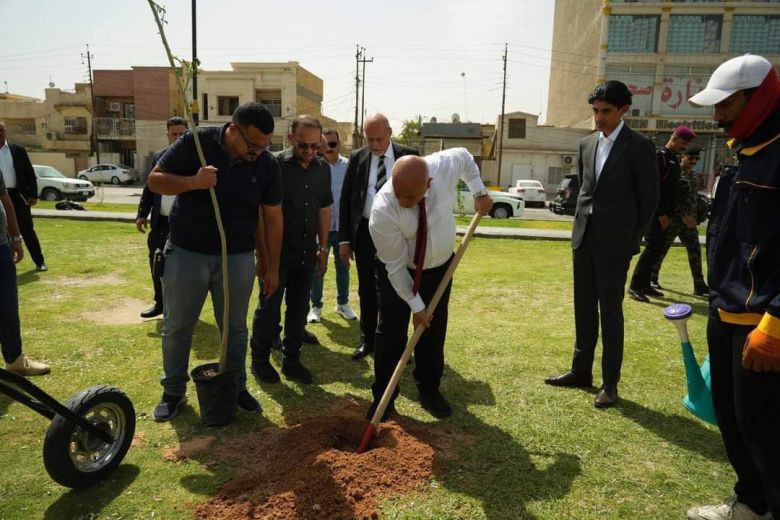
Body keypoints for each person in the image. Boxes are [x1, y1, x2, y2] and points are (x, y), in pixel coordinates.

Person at [685, 54, 780, 520]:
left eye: (726, 104)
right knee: (734, 422)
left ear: (758, 97)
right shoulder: (741, 155)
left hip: (764, 325)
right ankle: (750, 504)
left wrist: (777, 322)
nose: (716, 115)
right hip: (725, 314)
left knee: (768, 435)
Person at [147, 102, 283, 422]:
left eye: (266, 146)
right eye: (252, 145)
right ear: (232, 130)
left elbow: (273, 218)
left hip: (236, 256)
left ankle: (236, 388)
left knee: (234, 328)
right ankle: (173, 391)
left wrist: (271, 265)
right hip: (186, 252)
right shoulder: (197, 142)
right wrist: (194, 182)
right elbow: (156, 180)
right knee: (178, 326)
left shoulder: (266, 164)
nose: (258, 152)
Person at [545, 80, 658, 409]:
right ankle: (581, 371)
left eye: (606, 111)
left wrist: (631, 237)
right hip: (585, 237)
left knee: (610, 311)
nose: (599, 118)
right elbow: (585, 189)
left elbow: (649, 199)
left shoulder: (639, 145)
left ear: (624, 110)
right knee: (583, 306)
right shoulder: (586, 144)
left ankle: (610, 383)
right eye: (595, 111)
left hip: (616, 242)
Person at [368, 148, 493, 420]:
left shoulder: (441, 167)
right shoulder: (383, 210)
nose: (402, 201)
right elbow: (396, 267)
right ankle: (384, 399)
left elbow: (464, 156)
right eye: (398, 193)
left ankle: (429, 390)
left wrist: (479, 191)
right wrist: (415, 306)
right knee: (390, 333)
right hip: (401, 273)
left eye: (410, 197)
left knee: (433, 331)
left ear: (429, 183)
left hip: (440, 270)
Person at [250, 116, 331, 385]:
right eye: (304, 146)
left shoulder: (322, 168)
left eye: (316, 146)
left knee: (298, 309)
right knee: (269, 309)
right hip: (276, 255)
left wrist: (323, 247)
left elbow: (324, 209)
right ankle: (260, 361)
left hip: (306, 254)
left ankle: (292, 360)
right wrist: (264, 258)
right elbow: (260, 214)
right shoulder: (272, 164)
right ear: (291, 138)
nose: (310, 152)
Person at [339, 113, 418, 361]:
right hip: (365, 233)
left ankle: (399, 342)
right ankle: (368, 340)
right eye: (369, 139)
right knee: (367, 288)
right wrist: (344, 240)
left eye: (379, 139)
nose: (373, 145)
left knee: (400, 285)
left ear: (390, 133)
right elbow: (346, 199)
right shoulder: (358, 158)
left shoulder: (409, 156)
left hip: (399, 233)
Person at [628, 125, 696, 302]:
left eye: (688, 143)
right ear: (674, 137)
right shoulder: (661, 158)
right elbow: (652, 188)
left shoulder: (673, 159)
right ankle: (635, 286)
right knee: (651, 249)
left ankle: (645, 284)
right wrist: (660, 214)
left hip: (667, 215)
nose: (685, 146)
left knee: (657, 250)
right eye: (684, 141)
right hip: (656, 215)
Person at [136, 116, 189, 319]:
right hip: (161, 221)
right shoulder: (160, 157)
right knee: (156, 262)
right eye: (174, 134)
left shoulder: (194, 159)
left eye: (182, 134)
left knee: (182, 267)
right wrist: (142, 214)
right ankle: (160, 303)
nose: (178, 138)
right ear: (168, 135)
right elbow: (149, 187)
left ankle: (181, 308)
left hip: (184, 223)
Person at [1, 172, 49, 375]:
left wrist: (15, 237)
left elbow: (4, 199)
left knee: (8, 305)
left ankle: (15, 359)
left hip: (1, 245)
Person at [307, 129, 357, 323]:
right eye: (324, 145)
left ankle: (343, 304)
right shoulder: (315, 167)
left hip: (342, 227)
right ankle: (316, 307)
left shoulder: (348, 166)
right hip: (320, 228)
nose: (328, 148)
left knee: (343, 267)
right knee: (318, 268)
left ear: (339, 144)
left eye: (333, 144)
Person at [649, 146, 708, 297]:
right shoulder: (675, 173)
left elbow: (692, 199)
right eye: (691, 158)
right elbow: (673, 197)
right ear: (682, 157)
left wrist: (695, 217)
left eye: (697, 159)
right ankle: (652, 278)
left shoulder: (694, 176)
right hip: (674, 220)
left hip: (689, 223)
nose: (694, 161)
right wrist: (683, 215)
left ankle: (699, 286)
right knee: (662, 251)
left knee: (695, 252)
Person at [0, 121, 46, 272]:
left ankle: (39, 262)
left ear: (5, 131)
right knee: (4, 232)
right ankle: (8, 265)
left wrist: (32, 194)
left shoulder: (17, 150)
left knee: (27, 230)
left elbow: (29, 173)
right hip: (0, 198)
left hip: (17, 196)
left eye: (1, 130)